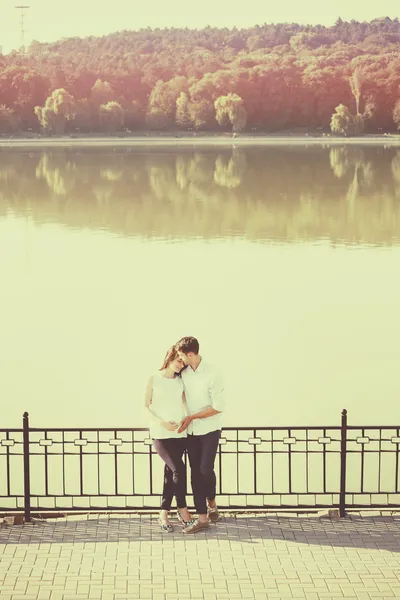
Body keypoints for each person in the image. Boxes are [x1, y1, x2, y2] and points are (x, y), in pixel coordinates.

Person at [175, 336, 225, 534]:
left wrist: (193, 416)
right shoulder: (183, 373)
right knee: (195, 473)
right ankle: (202, 518)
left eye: (181, 356)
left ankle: (211, 500)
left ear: (190, 354)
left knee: (205, 469)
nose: (180, 359)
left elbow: (218, 407)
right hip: (191, 431)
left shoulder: (213, 373)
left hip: (210, 429)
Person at [144, 346, 194, 532]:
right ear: (170, 358)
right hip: (160, 433)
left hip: (179, 433)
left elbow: (184, 404)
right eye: (178, 360)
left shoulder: (181, 381)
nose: (181, 365)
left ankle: (163, 513)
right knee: (179, 469)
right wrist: (162, 423)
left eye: (183, 362)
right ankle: (183, 509)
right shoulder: (154, 379)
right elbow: (145, 406)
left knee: (170, 474)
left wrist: (184, 419)